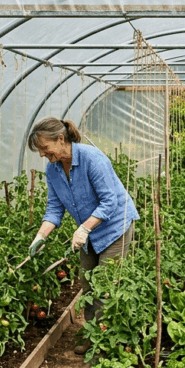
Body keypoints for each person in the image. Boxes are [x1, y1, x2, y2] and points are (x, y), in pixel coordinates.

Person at [26, 117, 139, 355]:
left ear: (60, 139)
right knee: (88, 286)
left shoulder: (92, 159)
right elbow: (55, 208)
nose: (43, 154)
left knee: (106, 287)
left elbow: (111, 201)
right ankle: (92, 336)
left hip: (114, 228)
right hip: (87, 233)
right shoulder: (53, 168)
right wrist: (40, 237)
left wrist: (85, 228)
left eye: (45, 148)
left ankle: (107, 345)